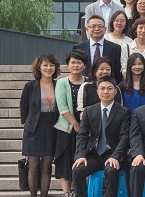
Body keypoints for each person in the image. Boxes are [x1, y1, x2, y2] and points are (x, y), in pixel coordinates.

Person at [72, 76, 131, 197]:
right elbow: (82, 135)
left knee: (112, 170)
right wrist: (80, 155)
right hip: (93, 154)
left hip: (112, 153)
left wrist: (116, 156)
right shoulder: (89, 111)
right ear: (97, 91)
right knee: (77, 170)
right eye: (102, 88)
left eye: (109, 88)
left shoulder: (124, 112)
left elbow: (125, 137)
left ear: (115, 91)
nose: (106, 92)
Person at [21, 54, 61, 197]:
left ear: (55, 67)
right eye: (45, 65)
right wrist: (28, 124)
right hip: (34, 128)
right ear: (39, 67)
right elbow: (24, 108)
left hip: (52, 127)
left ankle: (44, 195)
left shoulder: (59, 85)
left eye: (51, 65)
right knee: (33, 166)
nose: (48, 68)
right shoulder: (30, 86)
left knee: (46, 165)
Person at [55, 51, 88, 197]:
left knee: (82, 159)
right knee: (65, 159)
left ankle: (79, 190)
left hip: (86, 128)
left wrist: (84, 126)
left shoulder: (89, 82)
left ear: (84, 65)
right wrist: (75, 123)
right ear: (68, 65)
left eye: (79, 62)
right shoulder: (62, 82)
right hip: (66, 127)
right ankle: (66, 192)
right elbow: (62, 107)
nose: (76, 65)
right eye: (73, 62)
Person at [74, 15, 123, 83]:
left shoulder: (115, 48)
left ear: (105, 29)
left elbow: (117, 72)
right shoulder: (78, 48)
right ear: (87, 29)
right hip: (85, 85)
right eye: (93, 26)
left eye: (100, 26)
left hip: (107, 87)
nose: (97, 29)